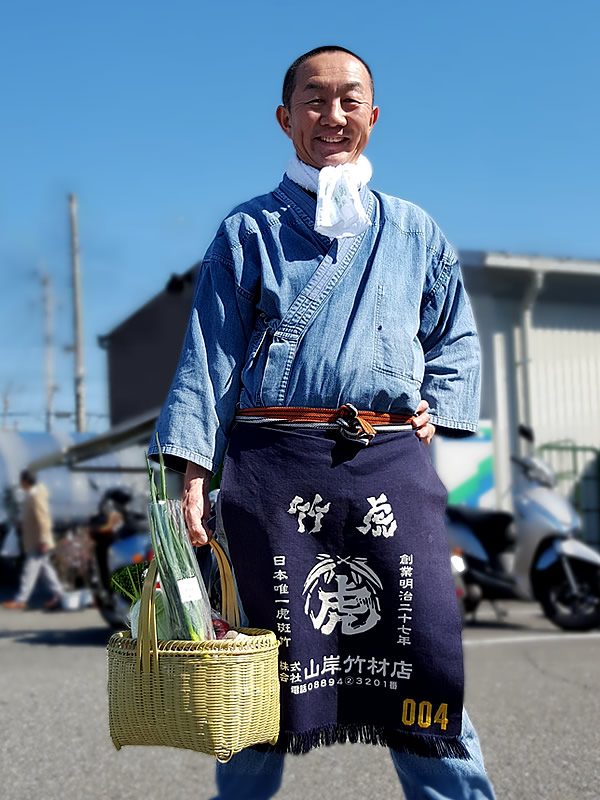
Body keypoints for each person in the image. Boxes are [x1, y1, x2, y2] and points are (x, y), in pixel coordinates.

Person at [150, 45, 496, 799]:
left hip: (387, 464)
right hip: (273, 469)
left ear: (373, 115)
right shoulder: (247, 232)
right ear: (285, 118)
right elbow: (209, 355)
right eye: (314, 100)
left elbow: (457, 336)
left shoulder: (415, 231)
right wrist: (190, 473)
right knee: (256, 672)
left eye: (349, 100)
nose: (332, 116)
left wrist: (440, 396)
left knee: (425, 662)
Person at [2, 470, 63, 610]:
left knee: (29, 571)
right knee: (46, 570)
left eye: (21, 481)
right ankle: (60, 594)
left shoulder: (36, 496)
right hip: (36, 539)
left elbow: (44, 519)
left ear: (25, 482)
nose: (20, 484)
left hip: (38, 541)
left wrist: (44, 540)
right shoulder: (33, 495)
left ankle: (20, 599)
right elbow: (34, 518)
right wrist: (22, 523)